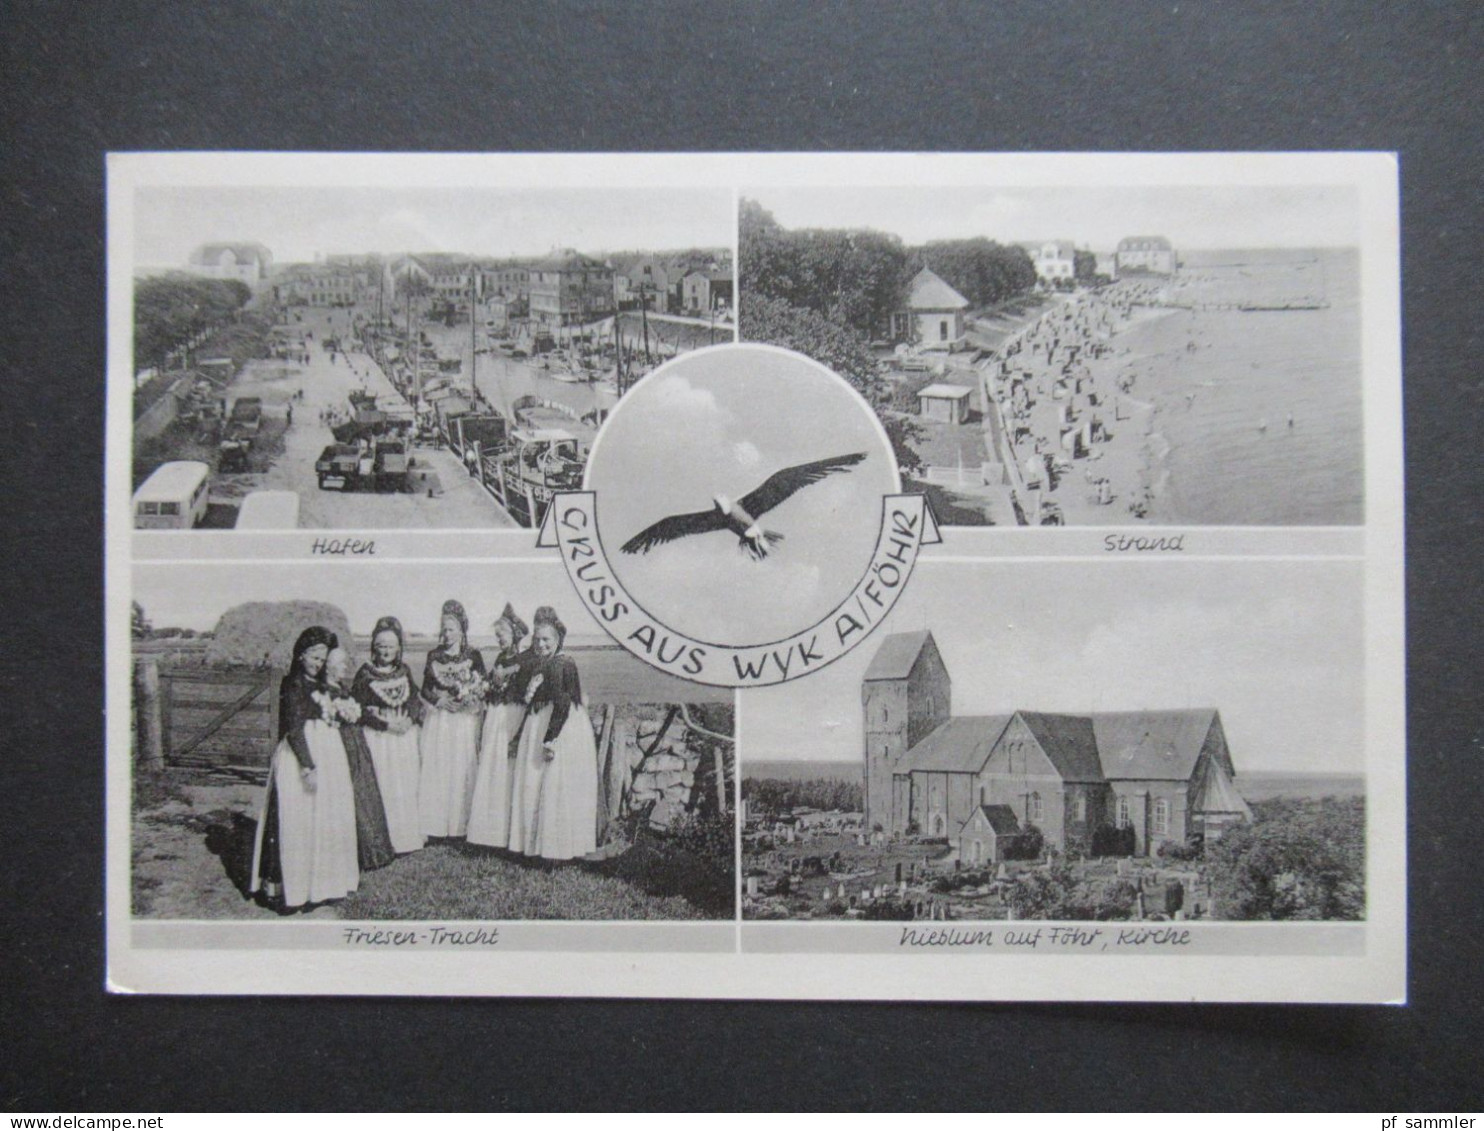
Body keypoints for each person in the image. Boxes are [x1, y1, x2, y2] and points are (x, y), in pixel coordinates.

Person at [248, 627, 359, 910]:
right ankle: (294, 888)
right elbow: (295, 729)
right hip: (303, 756)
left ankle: (322, 883)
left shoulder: (322, 685)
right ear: (300, 656)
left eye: (322, 659)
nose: (318, 663)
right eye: (314, 657)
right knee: (298, 819)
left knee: (323, 818)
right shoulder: (293, 684)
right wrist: (308, 765)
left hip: (328, 754)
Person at [512, 606, 598, 861]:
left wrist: (550, 740)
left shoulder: (561, 664)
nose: (540, 644)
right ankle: (543, 846)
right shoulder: (548, 663)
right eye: (537, 639)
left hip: (559, 727)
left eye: (546, 639)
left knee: (554, 784)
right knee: (540, 784)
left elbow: (562, 704)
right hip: (547, 720)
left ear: (558, 639)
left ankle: (553, 848)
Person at [351, 616, 425, 854]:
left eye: (391, 646)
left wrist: (409, 719)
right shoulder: (365, 674)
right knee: (384, 785)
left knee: (405, 785)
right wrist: (384, 725)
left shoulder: (404, 671)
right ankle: (384, 839)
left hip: (403, 737)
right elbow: (358, 709)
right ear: (374, 647)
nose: (385, 651)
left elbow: (415, 699)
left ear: (399, 648)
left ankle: (406, 837)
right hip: (379, 738)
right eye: (381, 646)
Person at [465, 604, 536, 849]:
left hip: (513, 717)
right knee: (493, 769)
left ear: (515, 633)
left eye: (502, 634)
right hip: (496, 717)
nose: (499, 638)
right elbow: (491, 687)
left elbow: (529, 695)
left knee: (510, 770)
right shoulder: (499, 658)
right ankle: (490, 833)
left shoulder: (527, 660)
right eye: (497, 635)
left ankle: (510, 834)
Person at [417, 599, 486, 839]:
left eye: (451, 629)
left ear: (461, 630)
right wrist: (439, 701)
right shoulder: (433, 655)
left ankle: (461, 826)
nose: (446, 634)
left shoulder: (474, 655)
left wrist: (470, 698)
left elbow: (482, 685)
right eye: (443, 629)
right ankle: (436, 825)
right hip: (442, 721)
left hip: (464, 721)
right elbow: (425, 689)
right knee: (440, 767)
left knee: (462, 767)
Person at [325, 645, 394, 872]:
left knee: (365, 791)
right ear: (328, 666)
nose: (345, 667)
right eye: (340, 664)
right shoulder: (325, 691)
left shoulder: (343, 687)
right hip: (339, 745)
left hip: (356, 743)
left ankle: (375, 849)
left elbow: (361, 712)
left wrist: (385, 724)